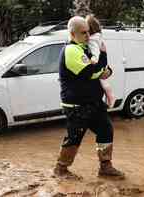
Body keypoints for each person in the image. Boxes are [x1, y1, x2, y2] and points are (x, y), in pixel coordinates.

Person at [53, 16, 125, 179]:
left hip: (93, 103)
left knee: (106, 130)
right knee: (74, 137)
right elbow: (89, 72)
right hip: (77, 105)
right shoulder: (72, 50)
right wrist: (102, 67)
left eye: (88, 32)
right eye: (83, 33)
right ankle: (61, 169)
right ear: (72, 34)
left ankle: (105, 167)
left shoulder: (85, 48)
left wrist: (107, 69)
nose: (87, 36)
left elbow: (99, 67)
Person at [85, 14, 115, 108]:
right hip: (91, 96)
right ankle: (111, 97)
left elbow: (99, 59)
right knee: (104, 83)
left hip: (93, 98)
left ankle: (111, 97)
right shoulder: (98, 37)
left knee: (103, 82)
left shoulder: (91, 40)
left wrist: (108, 70)